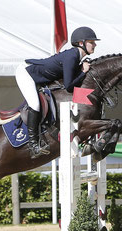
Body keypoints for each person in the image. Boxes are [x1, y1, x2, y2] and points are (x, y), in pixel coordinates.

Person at [15, 26, 99, 158]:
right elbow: (69, 86)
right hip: (26, 74)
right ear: (81, 43)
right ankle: (33, 145)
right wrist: (83, 71)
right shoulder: (72, 56)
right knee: (35, 105)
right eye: (92, 42)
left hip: (38, 75)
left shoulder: (76, 56)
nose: (95, 44)